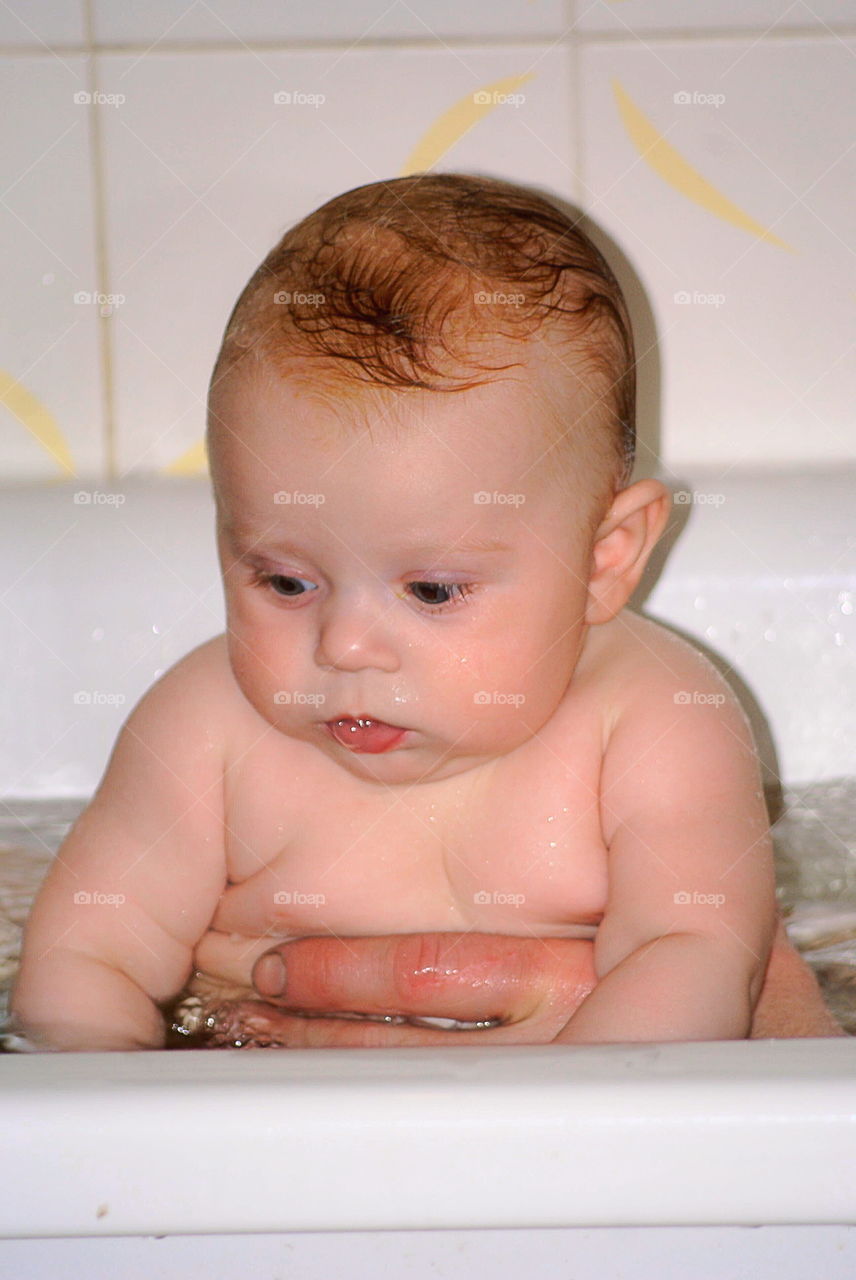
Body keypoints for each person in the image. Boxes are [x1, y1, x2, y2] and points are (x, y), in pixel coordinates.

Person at [9, 173, 845, 1050]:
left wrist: (557, 1143)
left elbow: (696, 957)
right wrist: (139, 1125)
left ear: (605, 559)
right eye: (286, 581)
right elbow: (86, 959)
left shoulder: (656, 724)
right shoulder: (202, 729)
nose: (345, 646)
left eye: (433, 591)